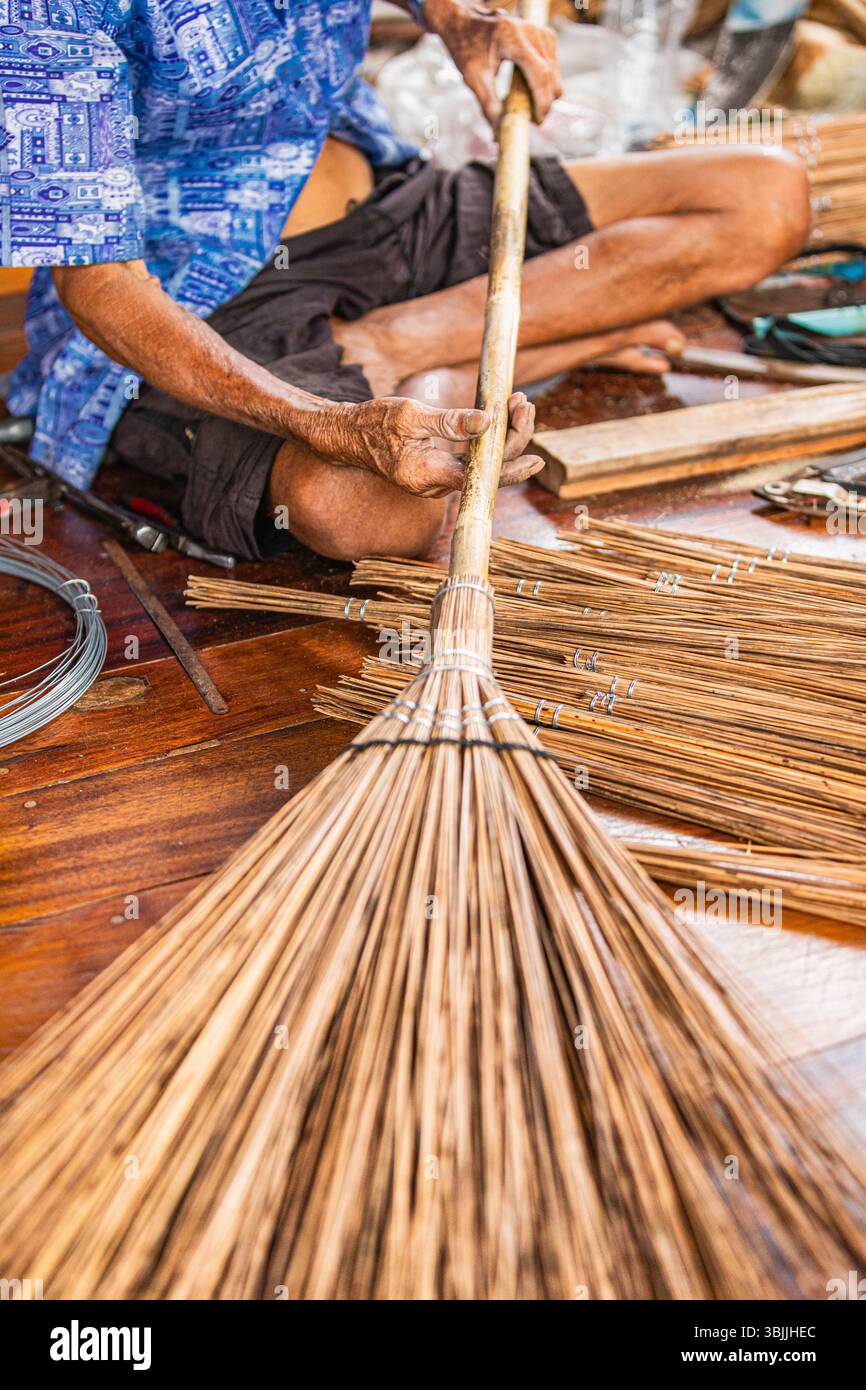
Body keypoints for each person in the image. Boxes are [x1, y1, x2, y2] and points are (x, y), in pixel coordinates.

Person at [0, 0, 810, 561]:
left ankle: (397, 345)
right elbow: (100, 285)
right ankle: (497, 360)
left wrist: (457, 17)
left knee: (765, 197)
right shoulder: (47, 15)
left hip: (387, 201)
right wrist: (323, 422)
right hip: (205, 296)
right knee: (356, 509)